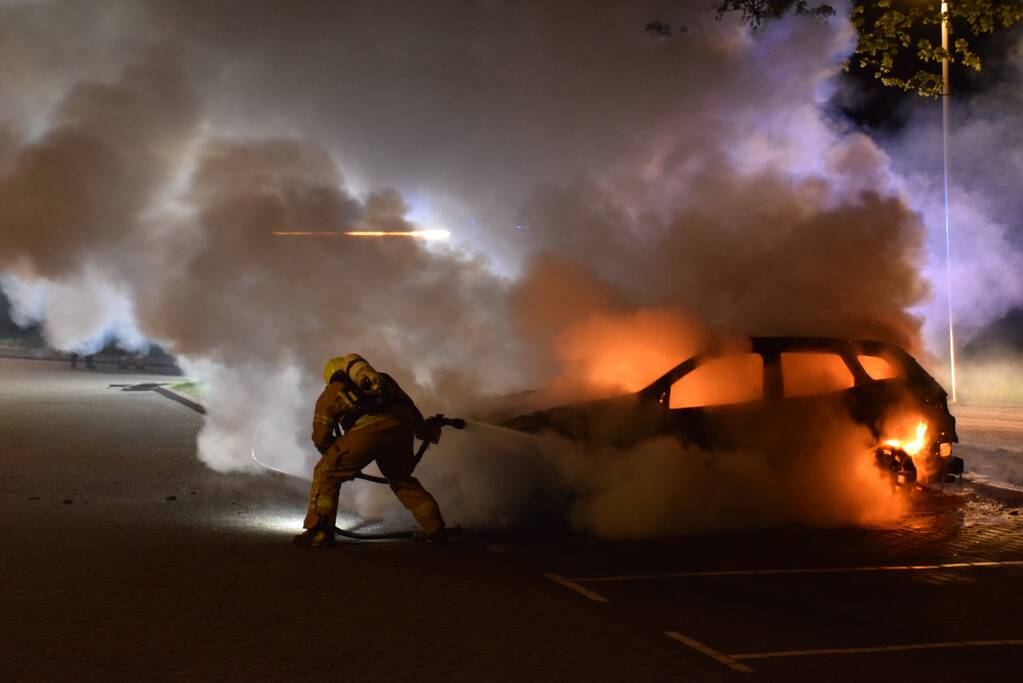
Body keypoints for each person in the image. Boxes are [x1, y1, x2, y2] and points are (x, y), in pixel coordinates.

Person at [293, 354, 446, 547]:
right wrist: (423, 430)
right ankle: (436, 529)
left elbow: (320, 438)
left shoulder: (331, 393)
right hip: (402, 427)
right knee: (401, 478)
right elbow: (409, 407)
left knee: (326, 472)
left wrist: (339, 460)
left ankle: (320, 532)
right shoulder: (384, 380)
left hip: (370, 429)